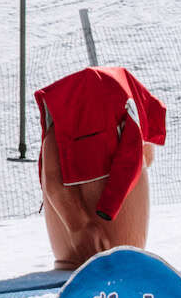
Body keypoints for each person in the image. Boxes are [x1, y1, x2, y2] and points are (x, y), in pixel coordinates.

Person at [33, 66, 168, 270]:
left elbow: (143, 158)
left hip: (120, 250)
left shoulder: (123, 125)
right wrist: (79, 225)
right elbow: (54, 183)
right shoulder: (62, 135)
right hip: (82, 255)